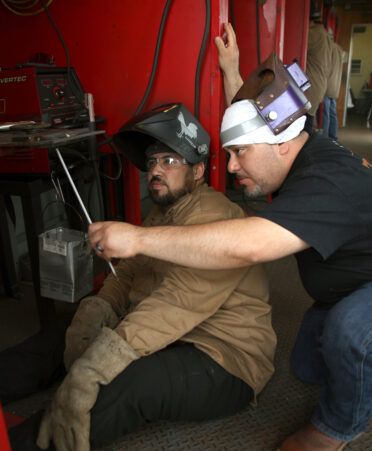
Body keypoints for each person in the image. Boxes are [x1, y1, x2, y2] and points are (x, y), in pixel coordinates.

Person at [89, 24, 372, 451]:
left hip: (364, 288)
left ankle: (336, 430)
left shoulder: (325, 180)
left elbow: (248, 245)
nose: (233, 166)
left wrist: (139, 240)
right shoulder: (294, 141)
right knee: (308, 366)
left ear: (279, 146)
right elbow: (259, 122)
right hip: (346, 279)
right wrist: (232, 72)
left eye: (239, 154)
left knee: (350, 335)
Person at [9, 103, 276, 450]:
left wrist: (95, 365)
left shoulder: (217, 220)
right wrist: (97, 310)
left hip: (224, 357)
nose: (155, 171)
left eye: (169, 161)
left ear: (197, 171)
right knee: (63, 332)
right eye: (152, 162)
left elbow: (175, 303)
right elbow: (130, 272)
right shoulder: (163, 213)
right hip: (172, 333)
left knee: (127, 383)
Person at [304, 1, 333, 132]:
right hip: (318, 85)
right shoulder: (323, 34)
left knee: (305, 125)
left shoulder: (315, 34)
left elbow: (296, 39)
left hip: (312, 86)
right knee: (307, 120)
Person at [321, 38, 345, 140]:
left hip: (327, 86)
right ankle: (333, 136)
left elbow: (324, 67)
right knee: (332, 113)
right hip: (335, 86)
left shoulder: (328, 48)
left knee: (325, 114)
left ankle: (324, 137)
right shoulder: (339, 50)